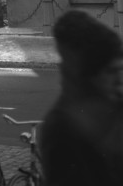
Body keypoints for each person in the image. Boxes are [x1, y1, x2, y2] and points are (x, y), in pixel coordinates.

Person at [40, 10, 123, 185]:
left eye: (121, 70)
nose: (119, 80)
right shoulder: (62, 128)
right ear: (92, 77)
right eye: (111, 71)